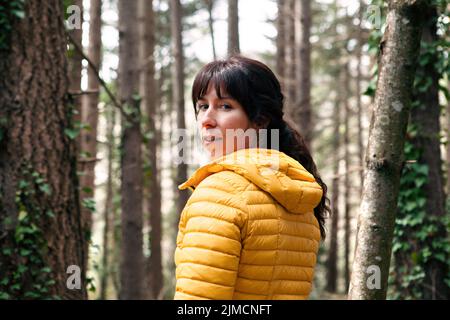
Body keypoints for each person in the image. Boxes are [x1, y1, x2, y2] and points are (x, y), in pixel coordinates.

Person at [174, 55, 330, 300]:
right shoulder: (299, 197)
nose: (206, 120)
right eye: (203, 106)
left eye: (225, 106)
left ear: (260, 120)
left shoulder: (217, 194)